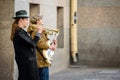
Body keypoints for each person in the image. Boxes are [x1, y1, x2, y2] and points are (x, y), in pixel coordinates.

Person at [11, 10, 43, 80]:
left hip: (29, 63)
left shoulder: (22, 32)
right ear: (20, 20)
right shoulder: (19, 33)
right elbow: (33, 43)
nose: (28, 21)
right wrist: (38, 33)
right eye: (26, 19)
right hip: (27, 65)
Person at [27, 15, 56, 80]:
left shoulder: (36, 29)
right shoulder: (36, 30)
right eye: (41, 19)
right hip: (41, 61)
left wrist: (51, 44)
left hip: (41, 59)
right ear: (38, 21)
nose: (42, 21)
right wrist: (50, 47)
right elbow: (40, 44)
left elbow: (41, 42)